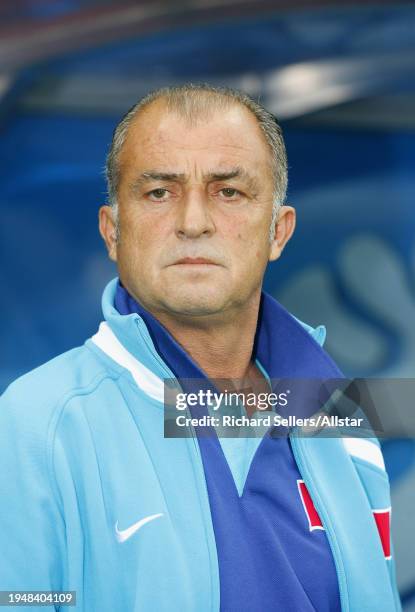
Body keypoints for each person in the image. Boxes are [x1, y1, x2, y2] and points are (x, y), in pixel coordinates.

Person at [0, 84, 401, 611]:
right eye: (159, 192)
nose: (193, 222)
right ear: (112, 231)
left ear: (278, 232)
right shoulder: (35, 425)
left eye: (228, 191)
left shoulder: (338, 411)